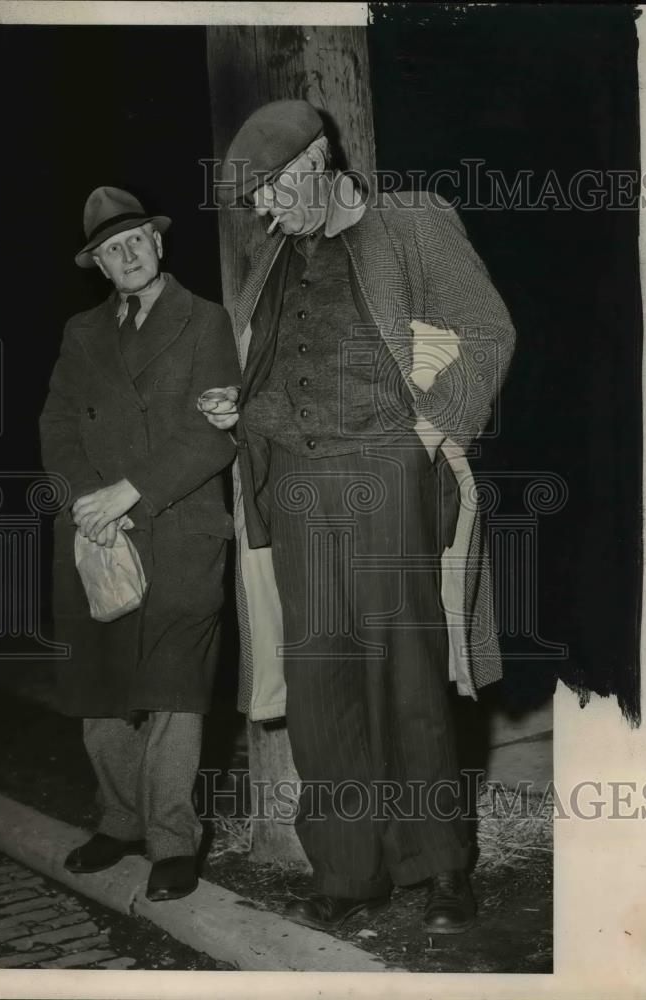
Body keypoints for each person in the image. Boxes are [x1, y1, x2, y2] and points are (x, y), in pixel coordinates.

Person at [200, 101, 516, 935]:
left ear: (315, 160)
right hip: (299, 484)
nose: (264, 213)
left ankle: (439, 865)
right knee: (321, 682)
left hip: (386, 470)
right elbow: (275, 375)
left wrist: (436, 419)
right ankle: (348, 869)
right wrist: (238, 407)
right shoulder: (277, 262)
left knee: (409, 672)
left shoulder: (409, 221)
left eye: (271, 191)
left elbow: (487, 331)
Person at [40, 186, 240, 901]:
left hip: (178, 526)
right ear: (96, 263)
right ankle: (120, 821)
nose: (124, 254)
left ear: (158, 244)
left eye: (135, 241)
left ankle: (172, 840)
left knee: (173, 692)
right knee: (101, 688)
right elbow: (58, 422)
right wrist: (85, 500)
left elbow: (214, 428)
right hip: (99, 533)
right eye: (108, 248)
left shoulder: (205, 320)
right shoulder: (80, 332)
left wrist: (130, 491)